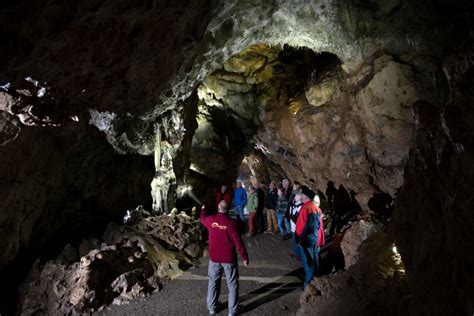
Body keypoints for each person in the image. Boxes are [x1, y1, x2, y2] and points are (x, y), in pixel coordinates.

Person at [200, 201, 249, 316]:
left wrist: (203, 210)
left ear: (218, 208)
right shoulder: (232, 223)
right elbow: (238, 242)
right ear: (228, 209)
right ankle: (232, 311)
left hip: (214, 259)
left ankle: (212, 308)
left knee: (213, 282)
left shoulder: (211, 220)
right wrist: (244, 257)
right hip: (229, 259)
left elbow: (202, 219)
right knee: (232, 285)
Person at [295, 186, 321, 288]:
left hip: (306, 239)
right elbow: (319, 225)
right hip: (315, 237)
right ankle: (317, 279)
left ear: (305, 197)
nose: (301, 196)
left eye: (302, 195)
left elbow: (300, 227)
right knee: (315, 259)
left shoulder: (305, 208)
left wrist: (298, 239)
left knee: (308, 262)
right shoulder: (316, 208)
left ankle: (308, 284)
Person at [289, 190, 303, 258]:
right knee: (293, 241)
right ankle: (295, 252)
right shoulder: (295, 204)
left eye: (296, 196)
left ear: (300, 197)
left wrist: (292, 216)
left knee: (297, 241)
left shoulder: (300, 207)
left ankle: (299, 254)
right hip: (293, 226)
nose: (295, 197)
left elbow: (296, 218)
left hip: (296, 227)